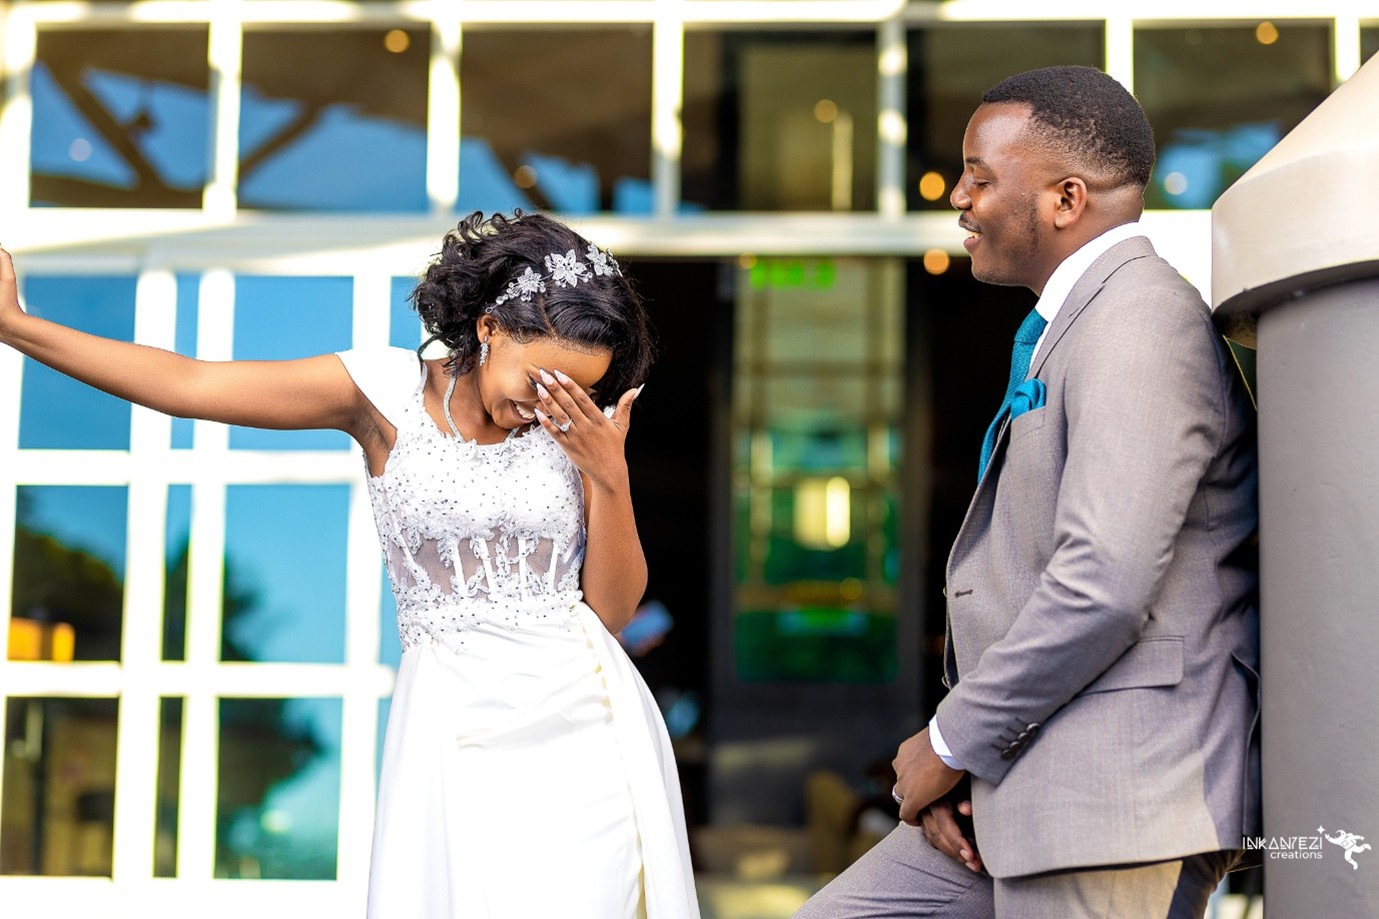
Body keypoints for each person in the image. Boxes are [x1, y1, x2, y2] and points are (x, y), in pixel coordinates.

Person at [0, 211, 701, 919]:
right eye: (539, 379)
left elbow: (610, 612)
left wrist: (610, 477)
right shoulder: (383, 393)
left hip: (584, 728)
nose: (544, 405)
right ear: (489, 328)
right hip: (451, 718)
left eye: (571, 390)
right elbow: (191, 383)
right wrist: (19, 327)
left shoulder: (581, 435)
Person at [796, 66, 1260, 918]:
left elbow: (1102, 584)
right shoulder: (1079, 324)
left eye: (978, 176)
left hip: (1112, 803)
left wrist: (948, 740)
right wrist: (966, 758)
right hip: (1015, 785)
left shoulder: (1139, 323)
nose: (959, 200)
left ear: (1064, 198)